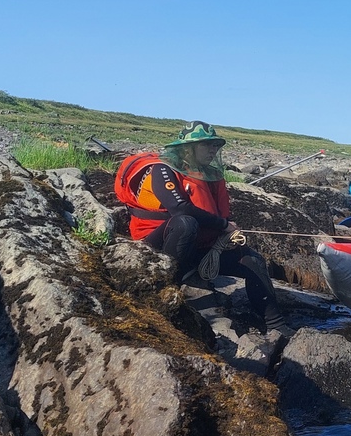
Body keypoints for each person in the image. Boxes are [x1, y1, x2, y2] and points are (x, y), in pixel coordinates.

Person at [120, 121, 292, 347]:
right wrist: (223, 225)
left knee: (253, 261)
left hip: (200, 249)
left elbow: (217, 214)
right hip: (159, 245)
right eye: (207, 145)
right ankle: (166, 291)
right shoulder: (162, 169)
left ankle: (276, 324)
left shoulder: (211, 175)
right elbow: (180, 209)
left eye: (215, 146)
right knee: (185, 223)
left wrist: (226, 229)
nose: (213, 150)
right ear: (188, 148)